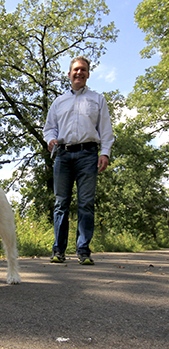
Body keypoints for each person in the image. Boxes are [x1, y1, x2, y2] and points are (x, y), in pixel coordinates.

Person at [43, 56, 114, 265]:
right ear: (69, 74)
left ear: (88, 74)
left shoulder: (97, 99)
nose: (79, 73)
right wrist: (50, 139)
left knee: (86, 204)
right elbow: (49, 128)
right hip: (63, 155)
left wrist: (105, 153)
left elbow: (106, 130)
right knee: (60, 204)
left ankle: (83, 251)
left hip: (88, 154)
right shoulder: (59, 101)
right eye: (75, 70)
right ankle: (58, 250)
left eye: (83, 70)